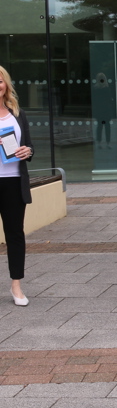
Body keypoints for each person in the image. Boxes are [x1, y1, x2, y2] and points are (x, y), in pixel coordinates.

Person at [0, 66, 34, 306]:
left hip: (14, 182)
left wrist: (27, 151)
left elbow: (30, 147)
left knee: (15, 235)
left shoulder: (17, 113)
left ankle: (16, 286)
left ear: (6, 84)